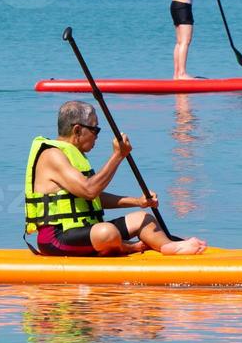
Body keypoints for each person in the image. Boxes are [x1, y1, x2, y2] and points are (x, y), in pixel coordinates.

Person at [24, 100, 206, 256]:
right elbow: (89, 191)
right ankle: (125, 247)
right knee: (107, 232)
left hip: (86, 231)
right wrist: (118, 156)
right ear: (77, 130)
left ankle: (169, 246)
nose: (97, 136)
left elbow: (95, 198)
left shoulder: (75, 155)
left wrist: (137, 201)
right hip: (57, 238)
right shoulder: (52, 155)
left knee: (144, 218)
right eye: (95, 129)